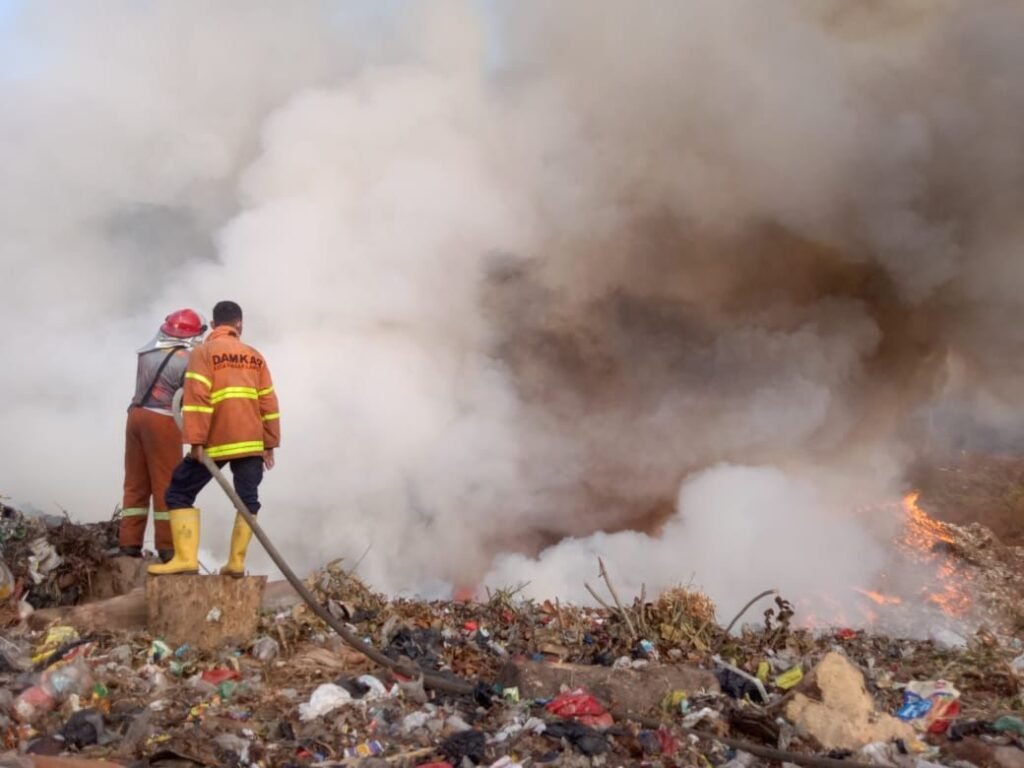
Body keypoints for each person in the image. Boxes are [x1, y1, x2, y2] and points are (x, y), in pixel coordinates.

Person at [149, 300, 280, 577]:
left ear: (212, 324)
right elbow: (268, 402)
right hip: (252, 443)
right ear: (239, 324)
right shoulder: (255, 356)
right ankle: (236, 563)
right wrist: (269, 444)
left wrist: (196, 441)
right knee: (247, 501)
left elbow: (197, 400)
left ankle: (185, 558)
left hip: (217, 443)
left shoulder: (204, 353)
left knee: (178, 492)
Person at [120, 309, 207, 561]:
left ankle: (129, 542)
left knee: (135, 483)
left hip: (135, 417)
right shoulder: (187, 359)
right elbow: (189, 398)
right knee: (166, 483)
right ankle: (168, 547)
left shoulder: (147, 353)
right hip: (163, 420)